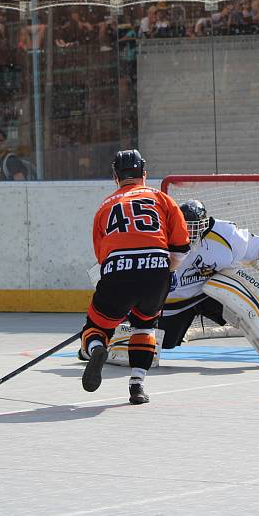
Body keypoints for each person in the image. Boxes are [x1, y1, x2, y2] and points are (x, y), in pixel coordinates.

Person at [79, 149, 190, 404]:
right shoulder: (162, 199)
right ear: (144, 173)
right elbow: (181, 246)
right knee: (144, 326)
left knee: (96, 327)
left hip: (118, 273)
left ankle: (97, 349)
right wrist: (166, 271)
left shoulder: (104, 207)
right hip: (156, 274)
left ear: (115, 177)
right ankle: (137, 386)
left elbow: (103, 258)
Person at [158, 199, 259, 368]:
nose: (190, 232)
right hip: (174, 302)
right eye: (186, 226)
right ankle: (127, 339)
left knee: (238, 286)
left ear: (205, 224)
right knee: (162, 343)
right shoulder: (162, 236)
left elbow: (254, 244)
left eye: (194, 226)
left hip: (210, 294)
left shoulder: (225, 233)